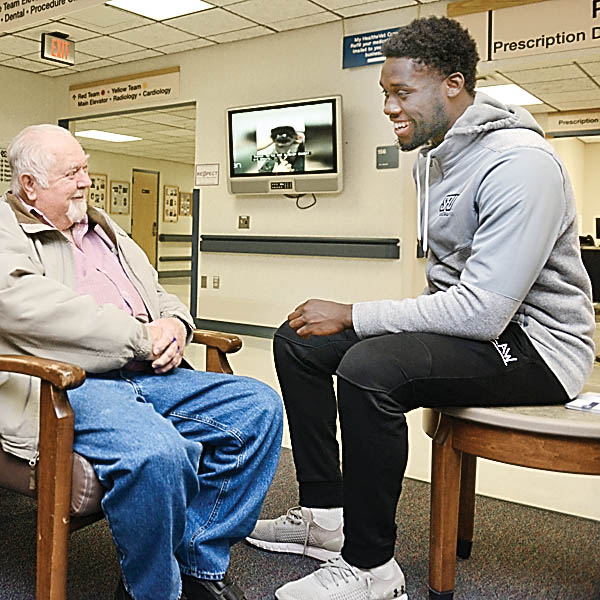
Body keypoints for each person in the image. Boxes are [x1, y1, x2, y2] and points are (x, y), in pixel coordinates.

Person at [245, 16, 595, 600]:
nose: (389, 106)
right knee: (299, 340)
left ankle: (372, 569)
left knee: (370, 370)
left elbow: (483, 312)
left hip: (537, 347)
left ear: (453, 84)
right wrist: (358, 322)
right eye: (385, 92)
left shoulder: (522, 164)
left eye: (402, 92)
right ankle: (324, 517)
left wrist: (354, 314)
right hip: (479, 334)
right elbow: (452, 295)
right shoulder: (430, 162)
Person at [0, 123, 284, 600]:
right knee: (158, 452)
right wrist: (142, 338)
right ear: (30, 185)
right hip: (60, 380)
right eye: (72, 174)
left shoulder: (102, 227)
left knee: (258, 407)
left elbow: (156, 291)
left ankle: (197, 564)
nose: (86, 181)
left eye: (85, 169)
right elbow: (38, 315)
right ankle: (152, 590)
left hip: (139, 371)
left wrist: (176, 325)